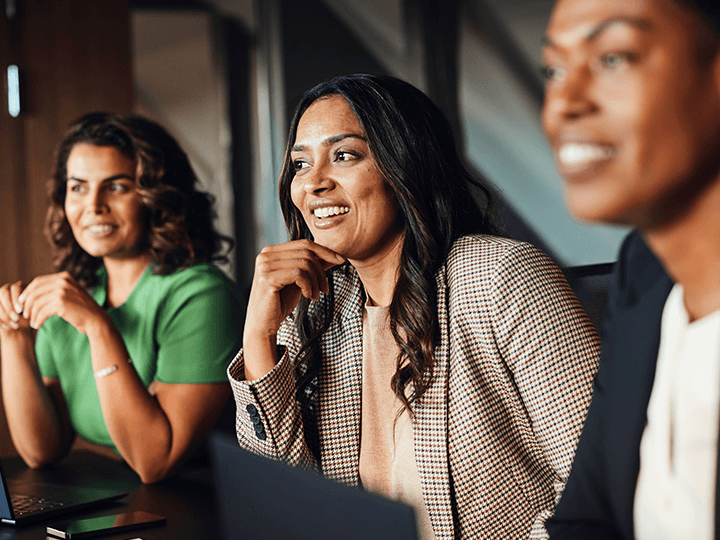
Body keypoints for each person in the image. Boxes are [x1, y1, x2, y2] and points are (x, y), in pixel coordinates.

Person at [228, 73, 599, 539]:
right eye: (300, 164)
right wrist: (258, 340)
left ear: (405, 167)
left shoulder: (498, 276)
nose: (314, 183)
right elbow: (285, 506)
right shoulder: (321, 306)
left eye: (344, 155)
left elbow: (597, 484)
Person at [541, 0, 720, 538]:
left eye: (614, 58)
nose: (563, 103)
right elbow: (585, 519)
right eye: (552, 69)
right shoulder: (641, 273)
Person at [0, 113, 244, 484]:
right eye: (78, 187)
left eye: (116, 187)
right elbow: (41, 450)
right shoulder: (76, 294)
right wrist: (13, 338)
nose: (93, 205)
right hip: (124, 502)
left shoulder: (200, 295)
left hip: (206, 505)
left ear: (154, 196)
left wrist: (99, 328)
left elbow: (156, 461)